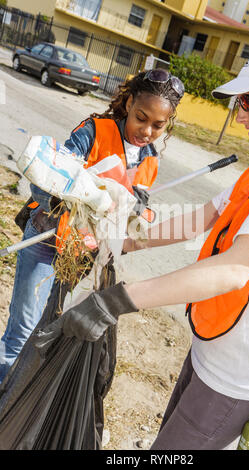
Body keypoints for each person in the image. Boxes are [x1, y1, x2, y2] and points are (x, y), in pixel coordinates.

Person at [49, 44, 249, 450]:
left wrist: (114, 301)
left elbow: (234, 269)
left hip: (237, 376)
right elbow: (198, 220)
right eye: (239, 102)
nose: (240, 115)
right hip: (211, 352)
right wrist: (121, 243)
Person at [0, 69, 185, 383]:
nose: (147, 131)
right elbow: (44, 185)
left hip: (83, 257)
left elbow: (130, 220)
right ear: (127, 104)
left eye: (158, 125)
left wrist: (135, 215)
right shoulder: (93, 131)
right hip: (47, 239)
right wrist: (86, 201)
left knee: (53, 330)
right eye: (141, 118)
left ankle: (22, 401)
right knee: (23, 329)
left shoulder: (150, 161)